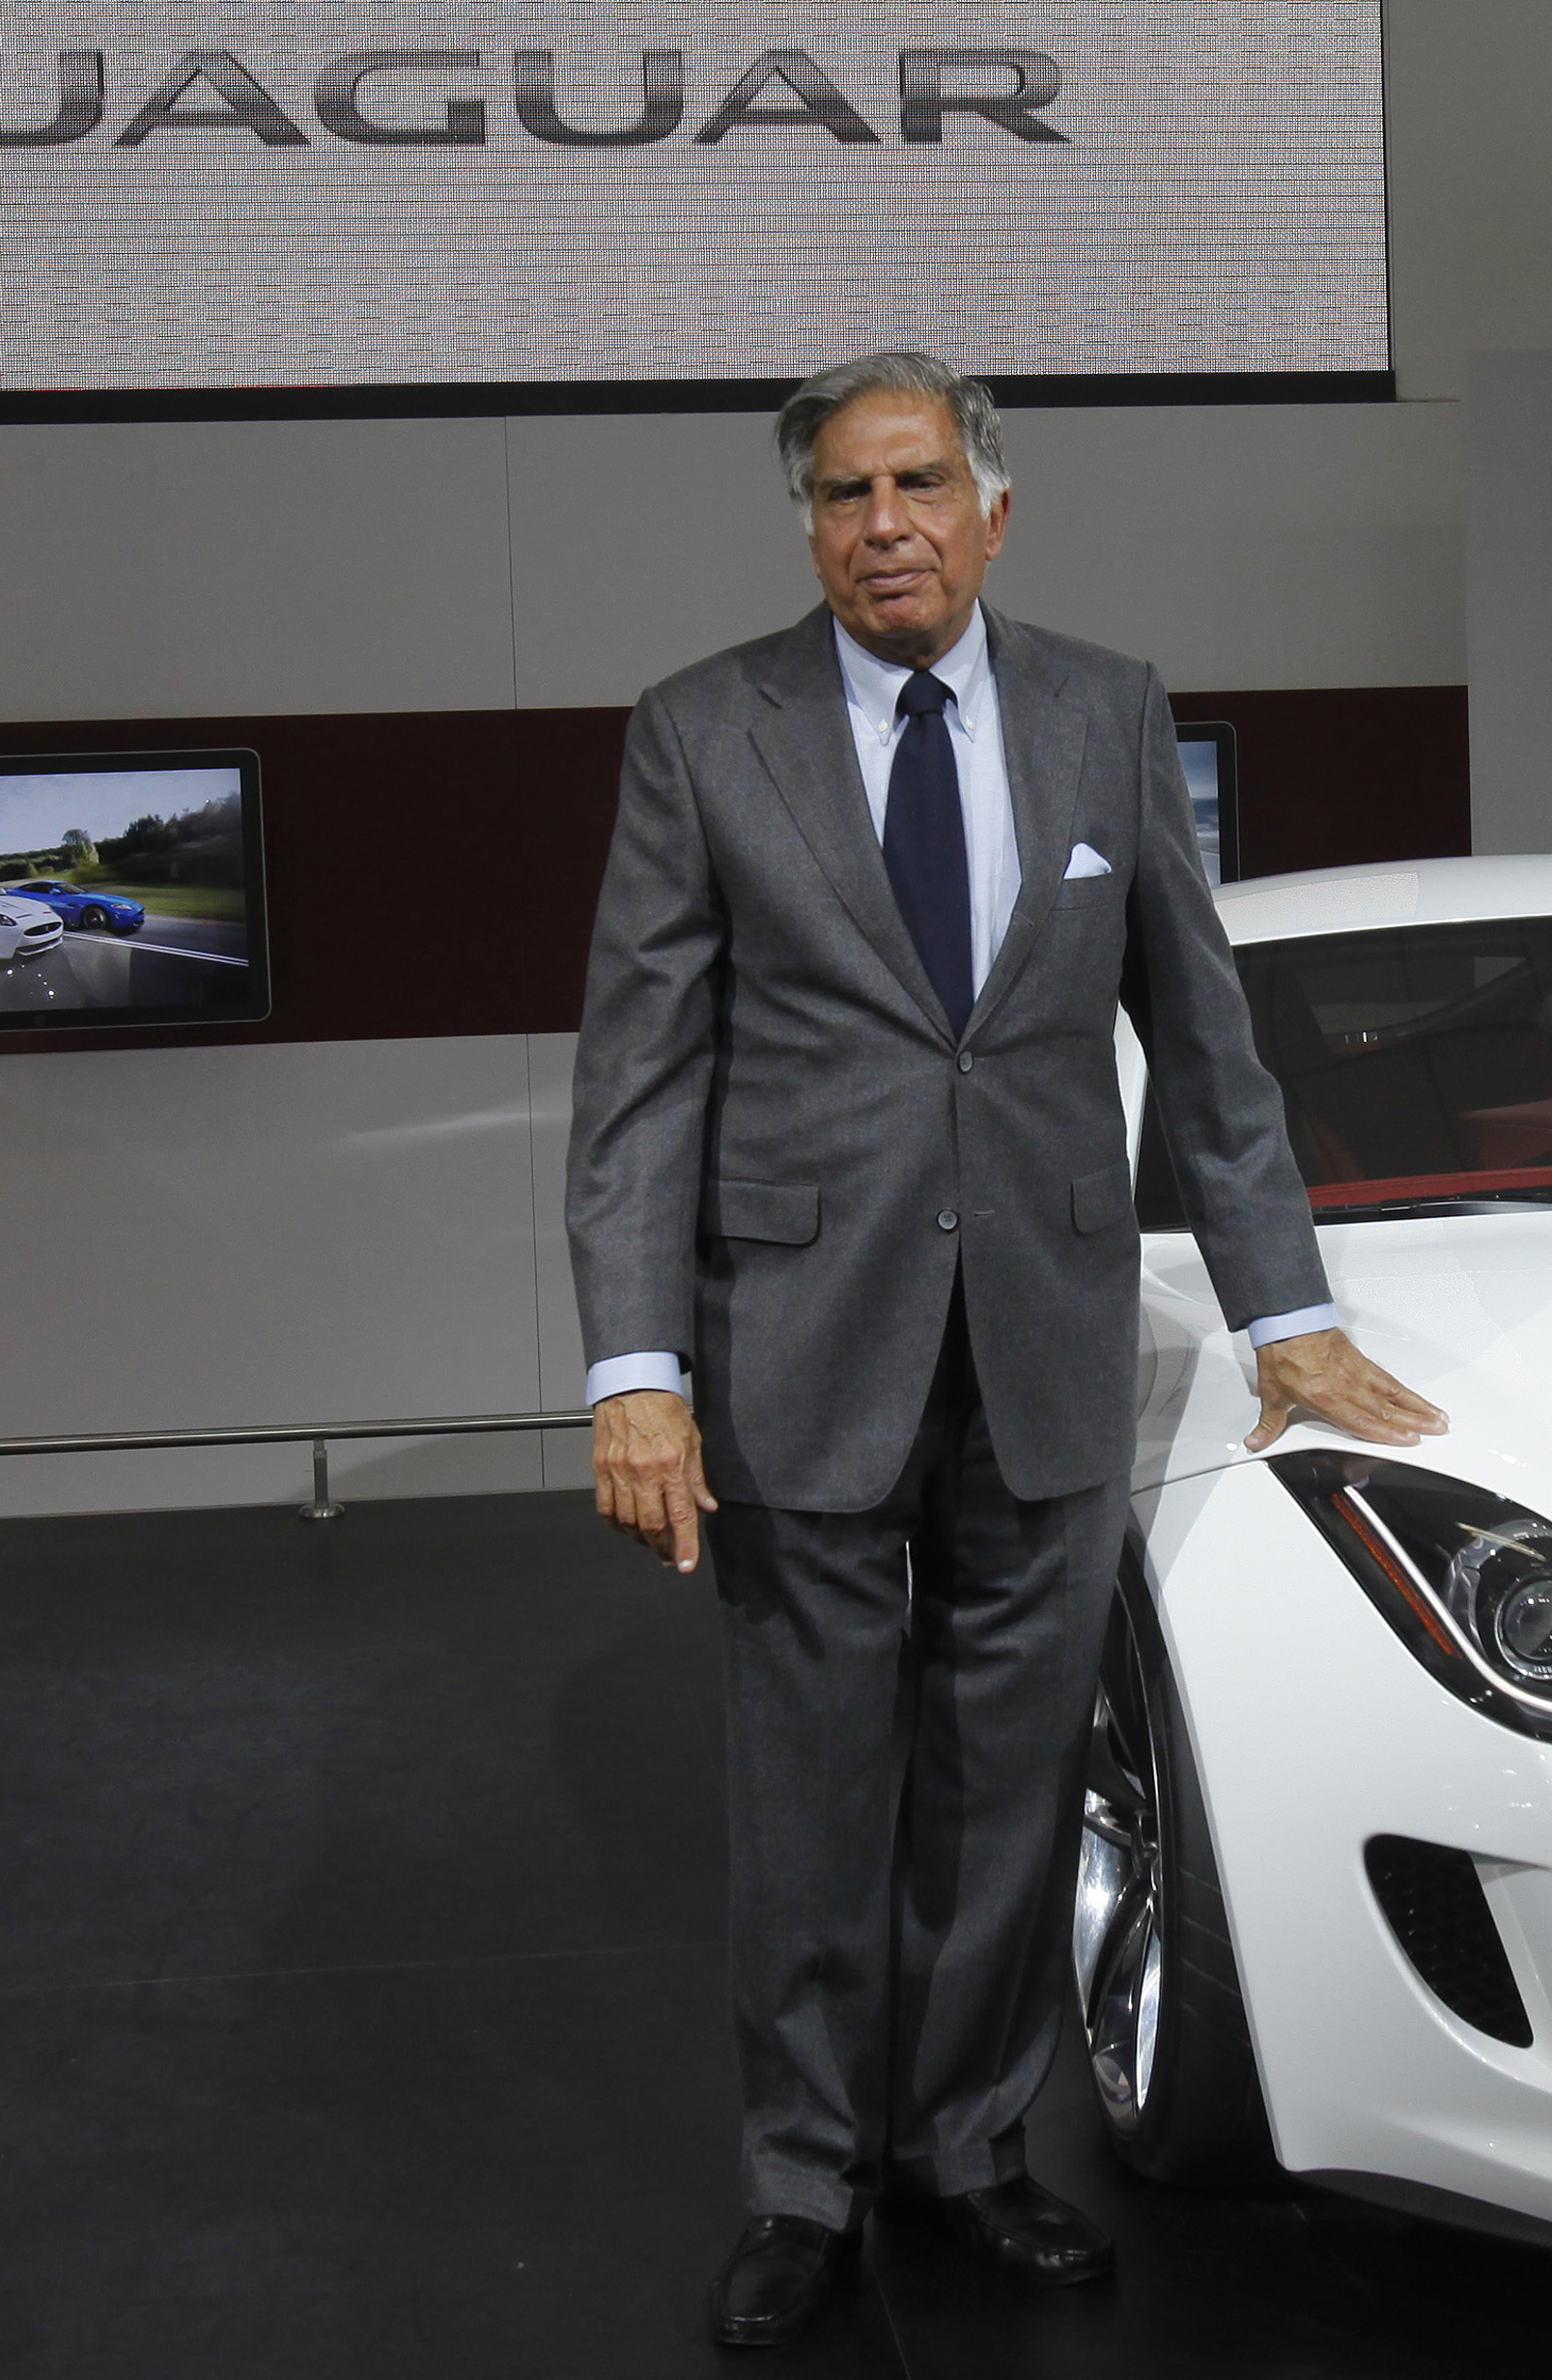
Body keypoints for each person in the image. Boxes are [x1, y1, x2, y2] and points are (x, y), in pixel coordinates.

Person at [564, 350, 1444, 2349]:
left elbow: (1208, 1048)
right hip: (799, 1334)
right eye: (848, 493)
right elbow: (636, 1085)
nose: (887, 523)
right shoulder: (708, 733)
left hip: (1044, 1335)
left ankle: (964, 2142)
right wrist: (636, 1365)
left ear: (993, 506)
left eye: (921, 483)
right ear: (809, 525)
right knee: (809, 1789)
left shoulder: (1104, 712)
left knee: (1008, 1784)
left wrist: (1285, 1312)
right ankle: (803, 2173)